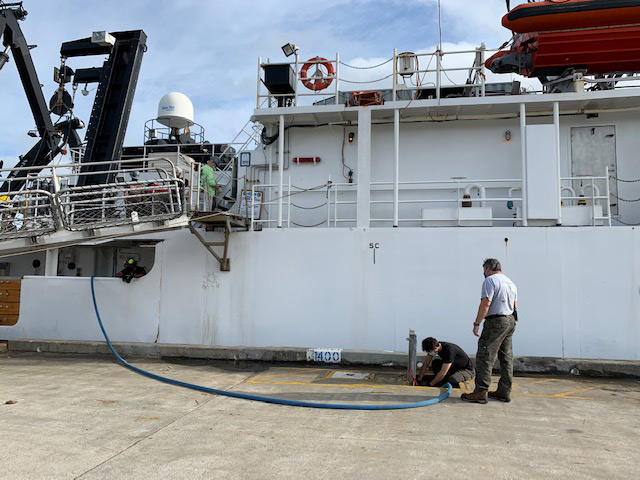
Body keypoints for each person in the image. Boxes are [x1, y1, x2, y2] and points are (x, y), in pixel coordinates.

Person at [461, 258, 518, 404]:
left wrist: (477, 323)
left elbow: (486, 303)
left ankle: (480, 391)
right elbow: (515, 305)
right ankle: (504, 391)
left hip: (496, 321)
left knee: (485, 355)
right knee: (506, 357)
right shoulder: (510, 282)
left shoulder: (490, 281)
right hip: (510, 319)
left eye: (484, 269)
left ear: (487, 268)